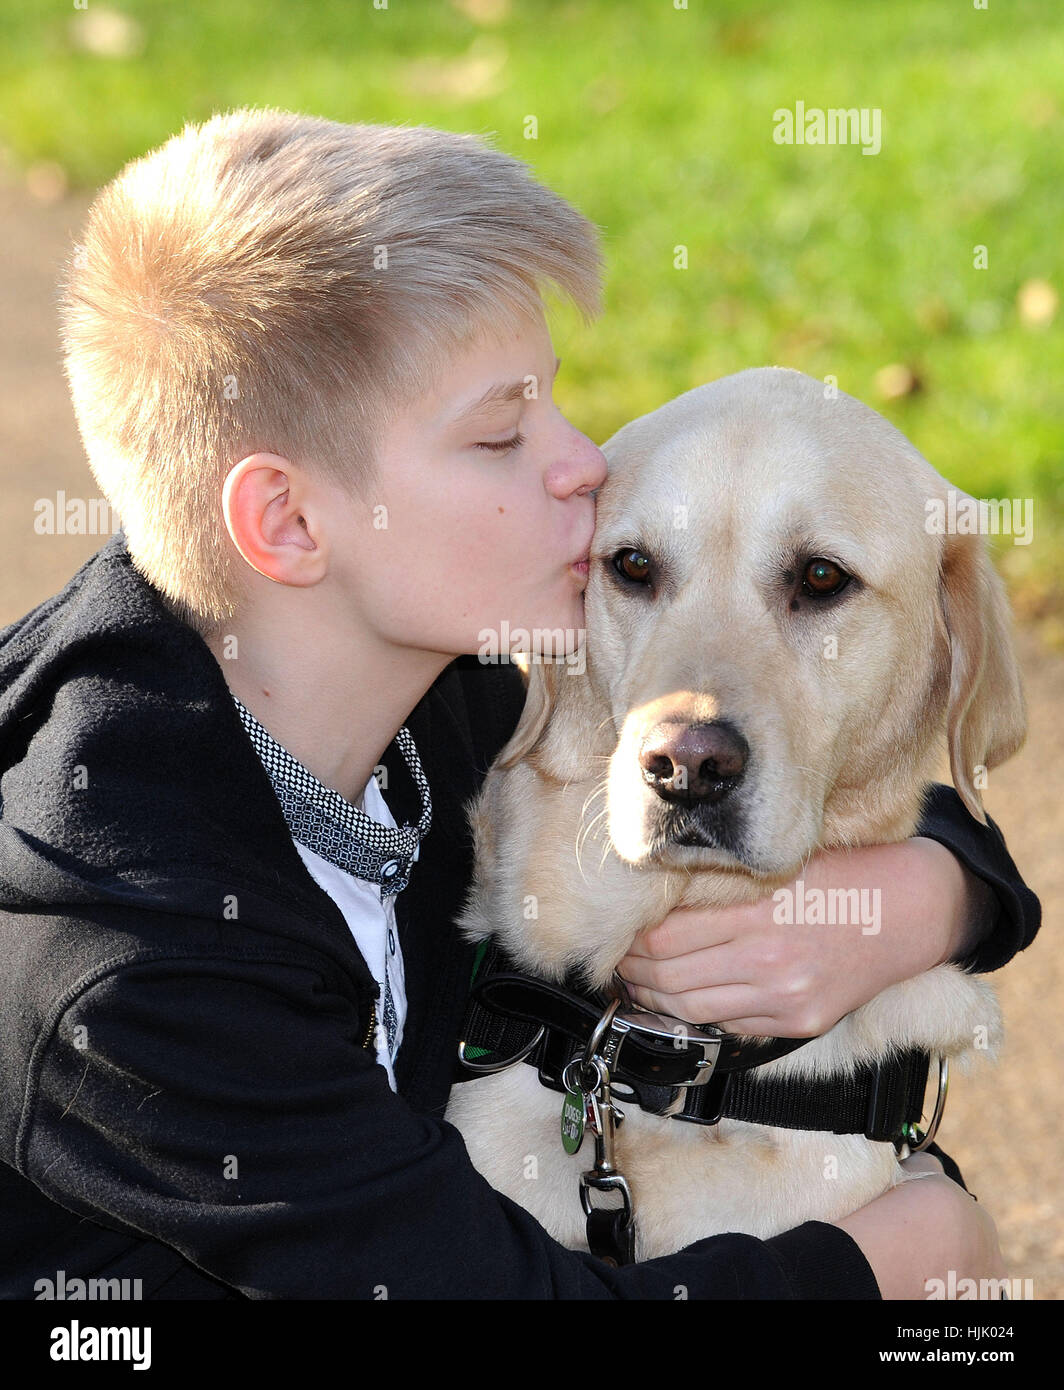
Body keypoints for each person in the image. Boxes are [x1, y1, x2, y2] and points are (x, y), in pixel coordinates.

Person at [0, 108, 1038, 1300]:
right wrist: (890, 1266)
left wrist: (935, 893)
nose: (584, 461)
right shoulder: (134, 967)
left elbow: (846, 747)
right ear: (287, 524)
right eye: (503, 433)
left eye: (553, 399)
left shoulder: (435, 685)